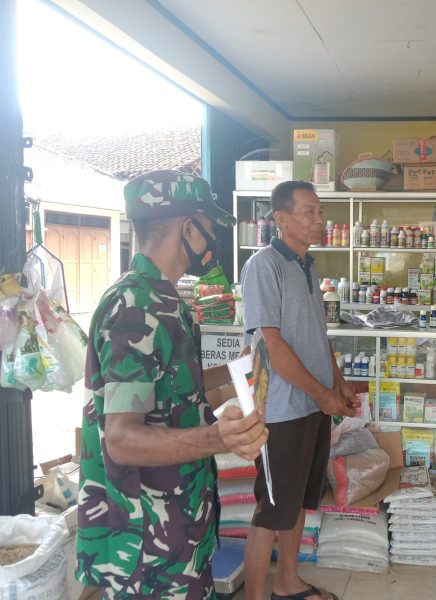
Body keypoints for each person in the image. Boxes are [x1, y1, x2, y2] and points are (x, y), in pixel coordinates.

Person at [76, 170, 269, 598]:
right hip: (146, 545)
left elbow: (168, 388)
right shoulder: (136, 307)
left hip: (178, 524)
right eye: (210, 227)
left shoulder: (163, 300)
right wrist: (220, 438)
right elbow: (122, 440)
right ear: (189, 227)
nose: (213, 240)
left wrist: (237, 370)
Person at [241, 180, 358, 600]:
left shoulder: (309, 267)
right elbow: (272, 345)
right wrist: (321, 394)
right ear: (281, 218)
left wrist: (337, 384)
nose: (319, 219)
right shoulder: (263, 266)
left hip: (312, 406)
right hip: (281, 410)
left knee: (296, 503)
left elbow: (316, 335)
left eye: (320, 211)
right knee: (271, 509)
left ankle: (287, 584)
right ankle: (256, 595)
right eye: (308, 211)